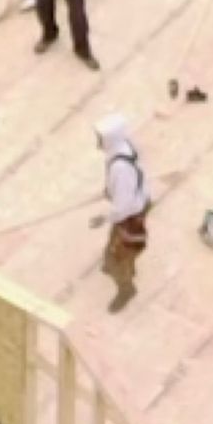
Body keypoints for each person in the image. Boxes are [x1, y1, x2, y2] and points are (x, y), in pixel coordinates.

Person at [91, 113, 150, 313]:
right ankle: (125, 266)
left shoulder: (120, 168)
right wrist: (109, 190)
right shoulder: (122, 149)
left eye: (100, 138)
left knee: (117, 256)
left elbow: (123, 207)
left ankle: (126, 288)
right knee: (120, 245)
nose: (98, 142)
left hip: (129, 215)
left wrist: (103, 218)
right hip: (135, 204)